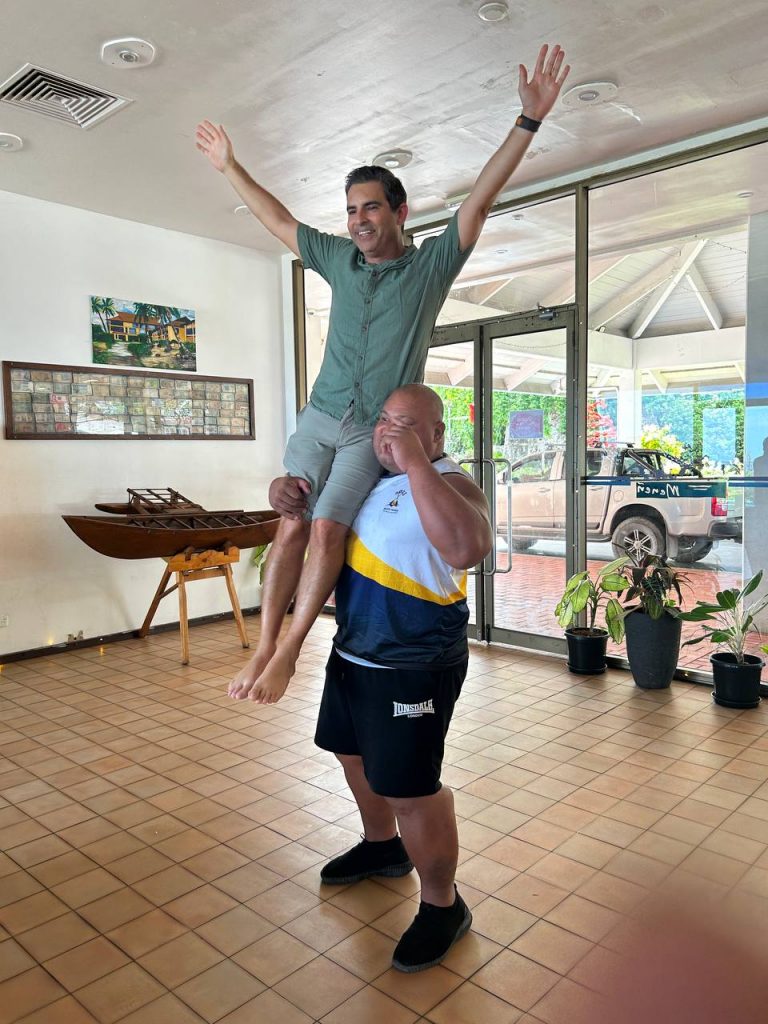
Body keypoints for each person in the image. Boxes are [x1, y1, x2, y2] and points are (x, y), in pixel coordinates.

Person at [195, 44, 569, 705]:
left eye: (370, 207)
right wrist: (231, 166)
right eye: (350, 210)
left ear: (398, 211)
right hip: (319, 415)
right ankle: (261, 645)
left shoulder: (429, 269)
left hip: (371, 430)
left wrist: (528, 121)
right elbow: (279, 219)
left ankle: (289, 649)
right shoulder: (338, 259)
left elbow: (480, 200)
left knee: (329, 530)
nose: (359, 220)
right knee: (289, 521)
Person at [270, 384, 492, 972]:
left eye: (409, 425)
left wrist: (417, 461)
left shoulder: (455, 484)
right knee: (350, 756)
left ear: (438, 435)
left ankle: (444, 905)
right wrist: (283, 493)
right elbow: (315, 528)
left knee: (412, 790)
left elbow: (469, 548)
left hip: (415, 664)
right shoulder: (364, 479)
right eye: (385, 422)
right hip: (354, 653)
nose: (390, 433)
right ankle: (381, 846)